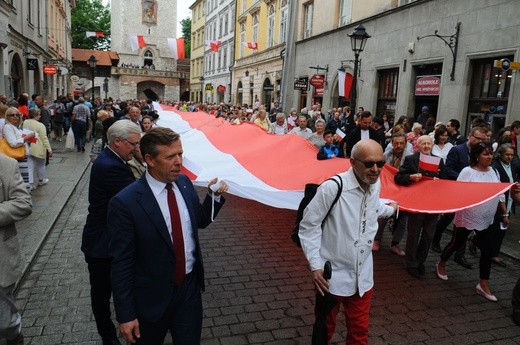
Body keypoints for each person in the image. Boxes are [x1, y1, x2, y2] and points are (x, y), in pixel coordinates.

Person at [107, 127, 228, 345]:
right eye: (170, 156)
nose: (179, 162)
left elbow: (198, 222)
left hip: (189, 292)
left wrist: (213, 197)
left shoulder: (184, 184)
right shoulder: (126, 202)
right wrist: (125, 314)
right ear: (149, 160)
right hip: (150, 300)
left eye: (180, 154)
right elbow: (122, 263)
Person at [299, 139, 397, 344]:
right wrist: (315, 267)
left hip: (363, 277)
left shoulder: (375, 183)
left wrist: (391, 209)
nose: (376, 169)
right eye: (369, 163)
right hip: (331, 278)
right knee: (324, 329)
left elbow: (374, 207)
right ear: (353, 162)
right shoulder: (332, 188)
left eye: (380, 163)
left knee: (360, 331)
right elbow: (309, 226)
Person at [81, 120, 143, 345]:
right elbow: (138, 195)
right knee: (102, 294)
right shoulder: (110, 166)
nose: (136, 148)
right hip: (102, 244)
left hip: (104, 239)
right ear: (117, 141)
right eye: (133, 144)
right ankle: (108, 337)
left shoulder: (113, 158)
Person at [436, 142, 507, 302]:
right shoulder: (467, 172)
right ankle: (441, 262)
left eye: (491, 154)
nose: (490, 157)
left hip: (487, 217)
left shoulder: (494, 171)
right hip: (468, 215)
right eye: (486, 154)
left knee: (487, 251)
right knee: (456, 243)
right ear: (476, 156)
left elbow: (500, 193)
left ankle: (483, 283)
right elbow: (457, 193)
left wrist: (504, 212)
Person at [431, 126, 488, 269]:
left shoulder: (481, 153)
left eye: (483, 139)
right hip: (455, 190)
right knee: (447, 218)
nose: (480, 141)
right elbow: (448, 169)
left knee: (464, 224)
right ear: (470, 136)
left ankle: (459, 254)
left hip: (470, 194)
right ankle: (435, 239)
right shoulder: (457, 150)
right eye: (478, 138)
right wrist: (465, 179)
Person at [394, 135, 446, 278]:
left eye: (429, 144)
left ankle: (420, 261)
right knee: (413, 234)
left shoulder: (439, 160)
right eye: (423, 144)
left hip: (433, 204)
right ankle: (411, 263)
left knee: (429, 234)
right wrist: (410, 177)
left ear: (432, 145)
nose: (426, 146)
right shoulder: (411, 159)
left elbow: (446, 181)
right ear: (417, 145)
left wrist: (438, 181)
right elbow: (398, 177)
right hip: (417, 203)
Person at [0, 154, 32, 345]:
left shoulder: (6, 164)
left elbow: (23, 203)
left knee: (4, 321)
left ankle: (14, 334)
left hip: (1, 256)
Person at [373, 132, 411, 255]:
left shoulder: (411, 158)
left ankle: (395, 244)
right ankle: (376, 239)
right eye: (396, 143)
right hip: (387, 191)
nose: (398, 146)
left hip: (404, 191)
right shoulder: (385, 155)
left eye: (401, 143)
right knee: (382, 215)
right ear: (392, 143)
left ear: (405, 144)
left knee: (402, 219)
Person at [489, 144, 518, 267]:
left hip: (509, 201)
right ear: (500, 154)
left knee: (502, 230)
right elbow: (497, 189)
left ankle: (494, 253)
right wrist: (504, 211)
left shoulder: (512, 166)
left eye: (512, 155)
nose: (510, 157)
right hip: (498, 204)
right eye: (507, 154)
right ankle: (488, 251)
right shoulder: (495, 167)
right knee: (494, 229)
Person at [2, 108, 36, 190]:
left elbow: (19, 142)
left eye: (17, 115)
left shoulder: (16, 127)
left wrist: (28, 141)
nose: (15, 117)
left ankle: (24, 200)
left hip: (21, 157)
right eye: (12, 115)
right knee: (20, 183)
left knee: (23, 181)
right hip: (15, 158)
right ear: (7, 117)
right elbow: (13, 143)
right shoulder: (8, 127)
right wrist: (26, 138)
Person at [22, 108, 52, 190]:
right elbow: (44, 138)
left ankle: (30, 184)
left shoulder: (25, 122)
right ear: (35, 115)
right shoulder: (40, 125)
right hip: (38, 147)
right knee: (41, 165)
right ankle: (41, 180)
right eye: (39, 114)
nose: (40, 116)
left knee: (30, 166)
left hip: (28, 145)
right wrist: (49, 149)